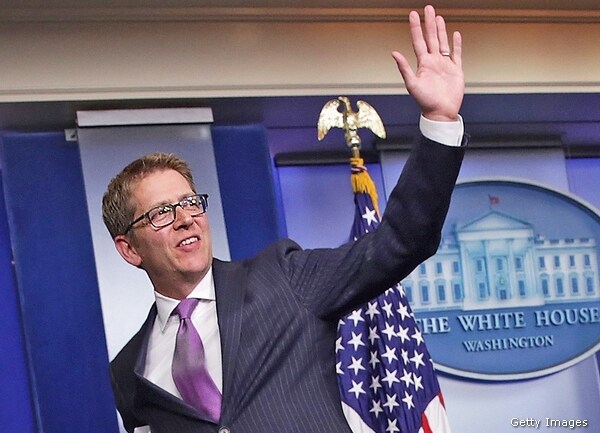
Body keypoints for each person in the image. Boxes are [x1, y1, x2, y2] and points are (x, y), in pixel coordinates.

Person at [105, 5, 466, 433]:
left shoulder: (284, 277)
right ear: (129, 249)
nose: (185, 218)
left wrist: (440, 122)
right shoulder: (128, 371)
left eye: (190, 202)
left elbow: (401, 241)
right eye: (162, 213)